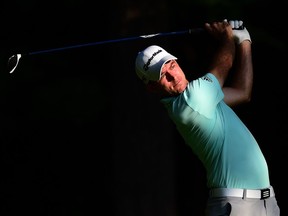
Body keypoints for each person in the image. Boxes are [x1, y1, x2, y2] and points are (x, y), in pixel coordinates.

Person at [134, 20, 280, 216]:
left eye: (171, 65)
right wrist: (227, 35)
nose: (173, 75)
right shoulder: (191, 102)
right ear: (152, 87)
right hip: (235, 205)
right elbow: (224, 65)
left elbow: (242, 92)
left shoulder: (205, 100)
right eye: (163, 75)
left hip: (265, 202)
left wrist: (244, 41)